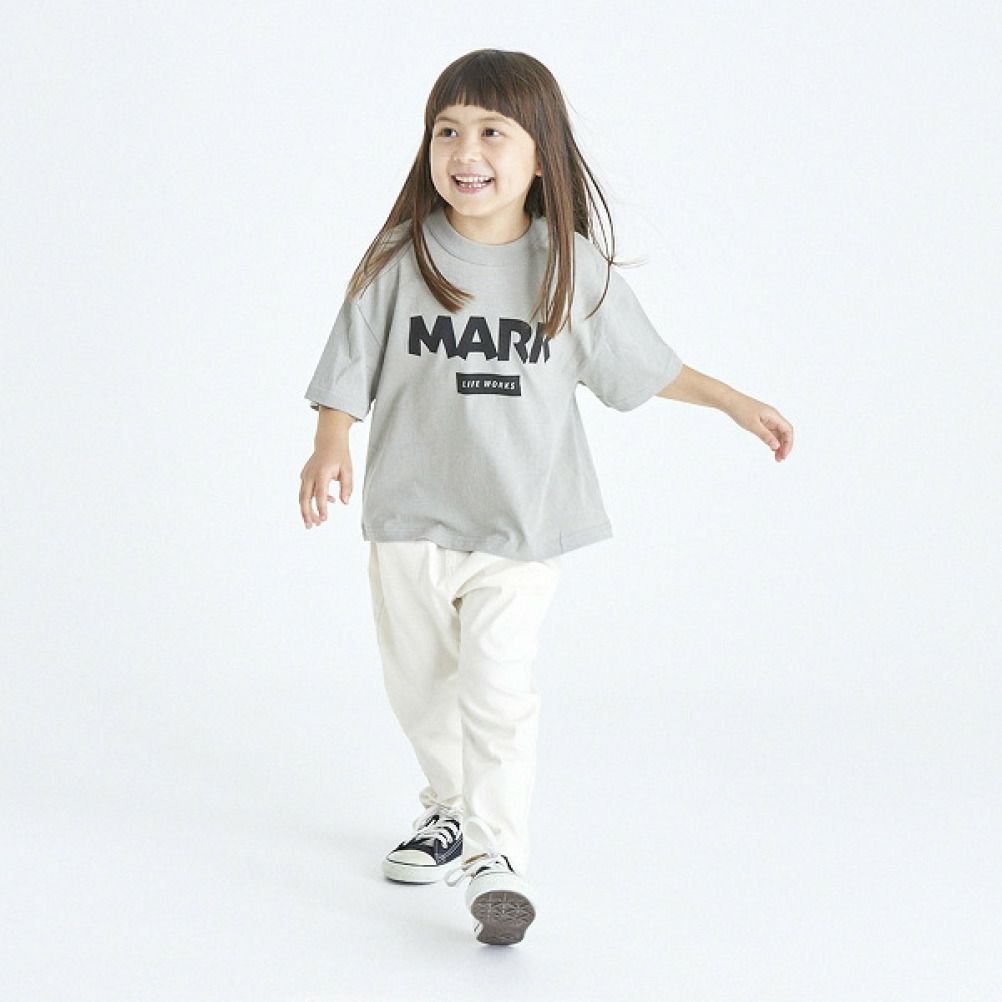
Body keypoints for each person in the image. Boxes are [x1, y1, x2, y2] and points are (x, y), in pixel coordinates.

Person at [298, 48, 794, 947]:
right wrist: (331, 440)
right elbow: (348, 365)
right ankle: (448, 810)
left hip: (520, 528)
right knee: (421, 689)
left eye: (493, 131)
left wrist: (732, 401)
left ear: (540, 155)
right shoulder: (401, 258)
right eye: (448, 130)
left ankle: (497, 859)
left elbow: (645, 366)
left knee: (497, 689)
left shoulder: (569, 266)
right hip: (409, 520)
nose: (466, 150)